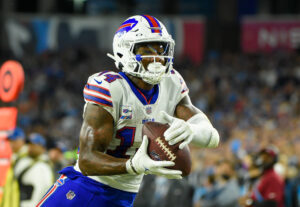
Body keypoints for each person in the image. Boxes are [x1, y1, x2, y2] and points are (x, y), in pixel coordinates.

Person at [37, 15, 220, 207]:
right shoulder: (111, 88)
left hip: (123, 197)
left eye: (161, 49)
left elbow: (212, 137)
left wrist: (193, 131)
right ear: (125, 51)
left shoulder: (171, 82)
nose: (157, 58)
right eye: (147, 50)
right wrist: (132, 166)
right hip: (85, 190)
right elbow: (86, 160)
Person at [14, 133, 53, 207]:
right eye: (30, 144)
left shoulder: (45, 166)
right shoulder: (22, 160)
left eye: (34, 145)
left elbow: (47, 189)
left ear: (42, 148)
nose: (31, 147)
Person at [1, 127, 27, 207]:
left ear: (21, 140)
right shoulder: (14, 157)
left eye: (13, 141)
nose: (11, 144)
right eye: (9, 141)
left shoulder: (27, 159)